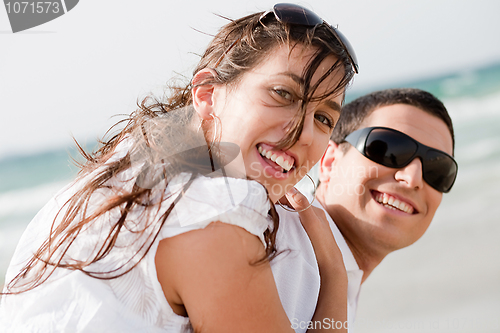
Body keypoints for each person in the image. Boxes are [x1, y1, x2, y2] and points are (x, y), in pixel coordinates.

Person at [0, 3, 358, 333]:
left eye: (324, 118)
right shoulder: (210, 213)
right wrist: (334, 274)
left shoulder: (119, 170)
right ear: (206, 94)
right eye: (283, 94)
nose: (305, 133)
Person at [271, 88, 457, 332]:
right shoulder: (284, 250)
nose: (412, 178)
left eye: (437, 170)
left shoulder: (332, 274)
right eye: (388, 149)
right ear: (329, 161)